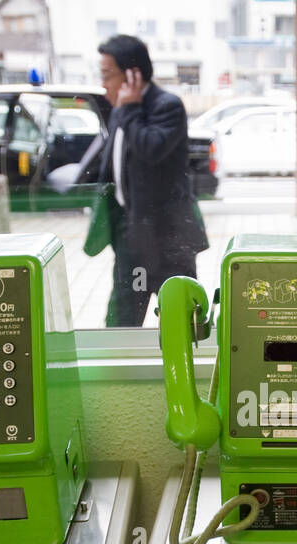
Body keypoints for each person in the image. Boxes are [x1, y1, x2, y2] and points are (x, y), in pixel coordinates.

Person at [97, 35, 208, 327]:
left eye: (108, 75)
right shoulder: (122, 109)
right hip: (131, 235)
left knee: (179, 319)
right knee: (122, 318)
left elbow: (151, 149)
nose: (103, 83)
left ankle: (181, 371)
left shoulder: (165, 106)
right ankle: (120, 372)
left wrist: (130, 110)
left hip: (167, 238)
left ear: (133, 74)